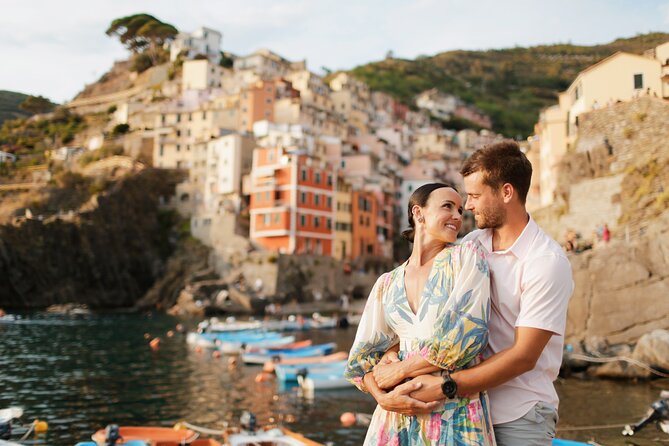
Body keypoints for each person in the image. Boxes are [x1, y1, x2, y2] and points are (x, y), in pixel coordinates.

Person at [364, 141, 574, 445]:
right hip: (463, 410)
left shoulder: (546, 262)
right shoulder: (468, 247)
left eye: (474, 196)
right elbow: (421, 310)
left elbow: (523, 356)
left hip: (517, 413)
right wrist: (392, 354)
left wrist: (443, 386)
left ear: (506, 192)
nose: (469, 206)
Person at [344, 183, 495, 445]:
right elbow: (361, 360)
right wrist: (382, 396)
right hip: (395, 415)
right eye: (448, 206)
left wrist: (399, 370)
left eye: (460, 210)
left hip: (454, 412)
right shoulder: (386, 283)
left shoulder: (466, 258)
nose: (458, 216)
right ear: (418, 212)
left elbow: (468, 335)